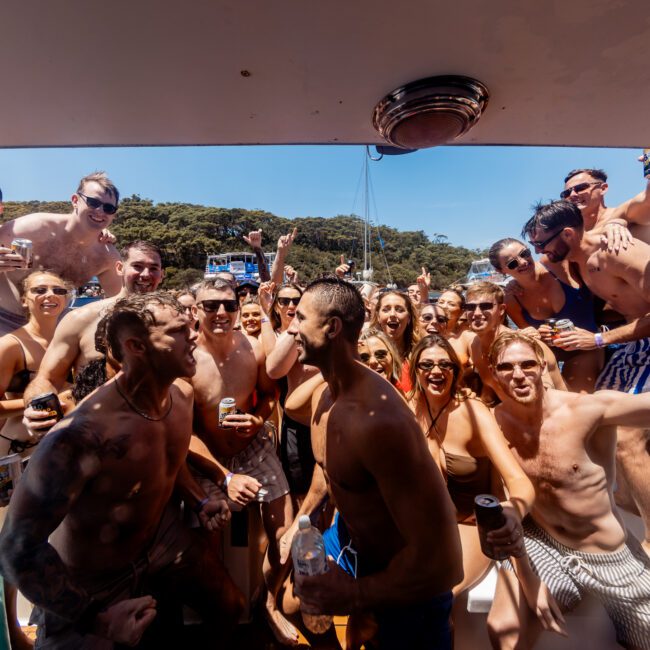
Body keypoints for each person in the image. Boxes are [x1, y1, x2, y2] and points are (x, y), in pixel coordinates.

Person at [0, 292, 243, 648]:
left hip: (161, 544)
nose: (194, 334)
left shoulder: (181, 397)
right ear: (137, 346)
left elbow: (163, 466)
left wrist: (200, 502)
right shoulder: (82, 436)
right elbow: (17, 548)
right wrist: (94, 618)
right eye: (179, 330)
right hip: (91, 576)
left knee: (230, 607)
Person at [286, 277, 463, 649]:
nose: (290, 327)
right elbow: (330, 464)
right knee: (289, 598)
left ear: (332, 327)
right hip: (353, 545)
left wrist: (355, 595)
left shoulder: (378, 421)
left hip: (409, 589)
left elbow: (443, 562)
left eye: (300, 318)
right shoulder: (325, 394)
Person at [487, 331, 650, 650]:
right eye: (507, 368)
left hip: (607, 555)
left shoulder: (586, 410)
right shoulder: (495, 422)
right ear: (494, 373)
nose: (518, 375)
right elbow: (506, 505)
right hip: (542, 540)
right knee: (503, 630)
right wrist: (527, 578)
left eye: (527, 364)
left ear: (543, 367)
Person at [527, 199, 650, 552]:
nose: (540, 253)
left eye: (542, 244)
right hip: (631, 344)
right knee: (590, 417)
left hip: (641, 342)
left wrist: (597, 339)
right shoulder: (577, 259)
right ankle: (620, 511)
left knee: (626, 434)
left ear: (567, 234)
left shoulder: (616, 253)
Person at [186, 279, 295, 646]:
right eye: (210, 305)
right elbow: (182, 431)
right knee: (207, 534)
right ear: (195, 308)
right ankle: (223, 607)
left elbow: (268, 394)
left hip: (252, 447)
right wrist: (224, 475)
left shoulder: (253, 348)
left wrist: (259, 419)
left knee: (285, 527)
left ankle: (269, 601)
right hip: (205, 455)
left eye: (229, 306)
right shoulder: (185, 358)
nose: (221, 313)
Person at [407, 334, 533, 595]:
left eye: (446, 365)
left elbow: (519, 481)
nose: (437, 371)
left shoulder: (473, 412)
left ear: (456, 370)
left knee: (436, 595)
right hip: (422, 525)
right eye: (427, 365)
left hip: (469, 526)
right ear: (415, 370)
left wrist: (513, 510)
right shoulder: (410, 408)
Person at [0, 271, 72, 650]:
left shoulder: (69, 339)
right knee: (12, 544)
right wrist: (35, 403)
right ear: (24, 298)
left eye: (59, 290)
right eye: (40, 289)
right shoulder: (11, 346)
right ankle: (11, 629)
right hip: (12, 455)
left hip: (54, 459)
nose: (50, 295)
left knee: (51, 541)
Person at [22, 241, 164, 432]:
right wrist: (36, 408)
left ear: (161, 275)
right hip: (93, 436)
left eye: (153, 268)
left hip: (154, 435)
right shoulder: (81, 319)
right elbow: (46, 379)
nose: (146, 275)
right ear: (120, 268)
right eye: (137, 266)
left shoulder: (175, 323)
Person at [0, 172, 123, 335]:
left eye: (109, 208)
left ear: (114, 213)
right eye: (93, 203)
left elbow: (121, 302)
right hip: (5, 321)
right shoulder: (31, 228)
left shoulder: (107, 256)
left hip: (57, 328)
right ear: (75, 200)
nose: (100, 211)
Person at [489, 237, 603, 392]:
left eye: (525, 253)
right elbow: (530, 335)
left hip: (587, 346)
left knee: (576, 397)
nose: (523, 262)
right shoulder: (511, 298)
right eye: (512, 263)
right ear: (501, 270)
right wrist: (539, 335)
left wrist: (616, 224)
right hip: (551, 357)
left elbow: (585, 246)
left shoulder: (555, 265)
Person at [261, 282, 320, 500]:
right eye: (284, 301)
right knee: (300, 490)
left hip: (320, 416)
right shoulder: (275, 334)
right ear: (276, 306)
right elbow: (274, 368)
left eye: (297, 300)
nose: (291, 304)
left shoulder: (316, 334)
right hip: (290, 418)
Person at [465, 281, 566, 404]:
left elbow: (546, 397)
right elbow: (491, 389)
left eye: (486, 306)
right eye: (470, 307)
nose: (476, 313)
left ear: (501, 310)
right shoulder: (474, 345)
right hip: (510, 414)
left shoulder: (522, 346)